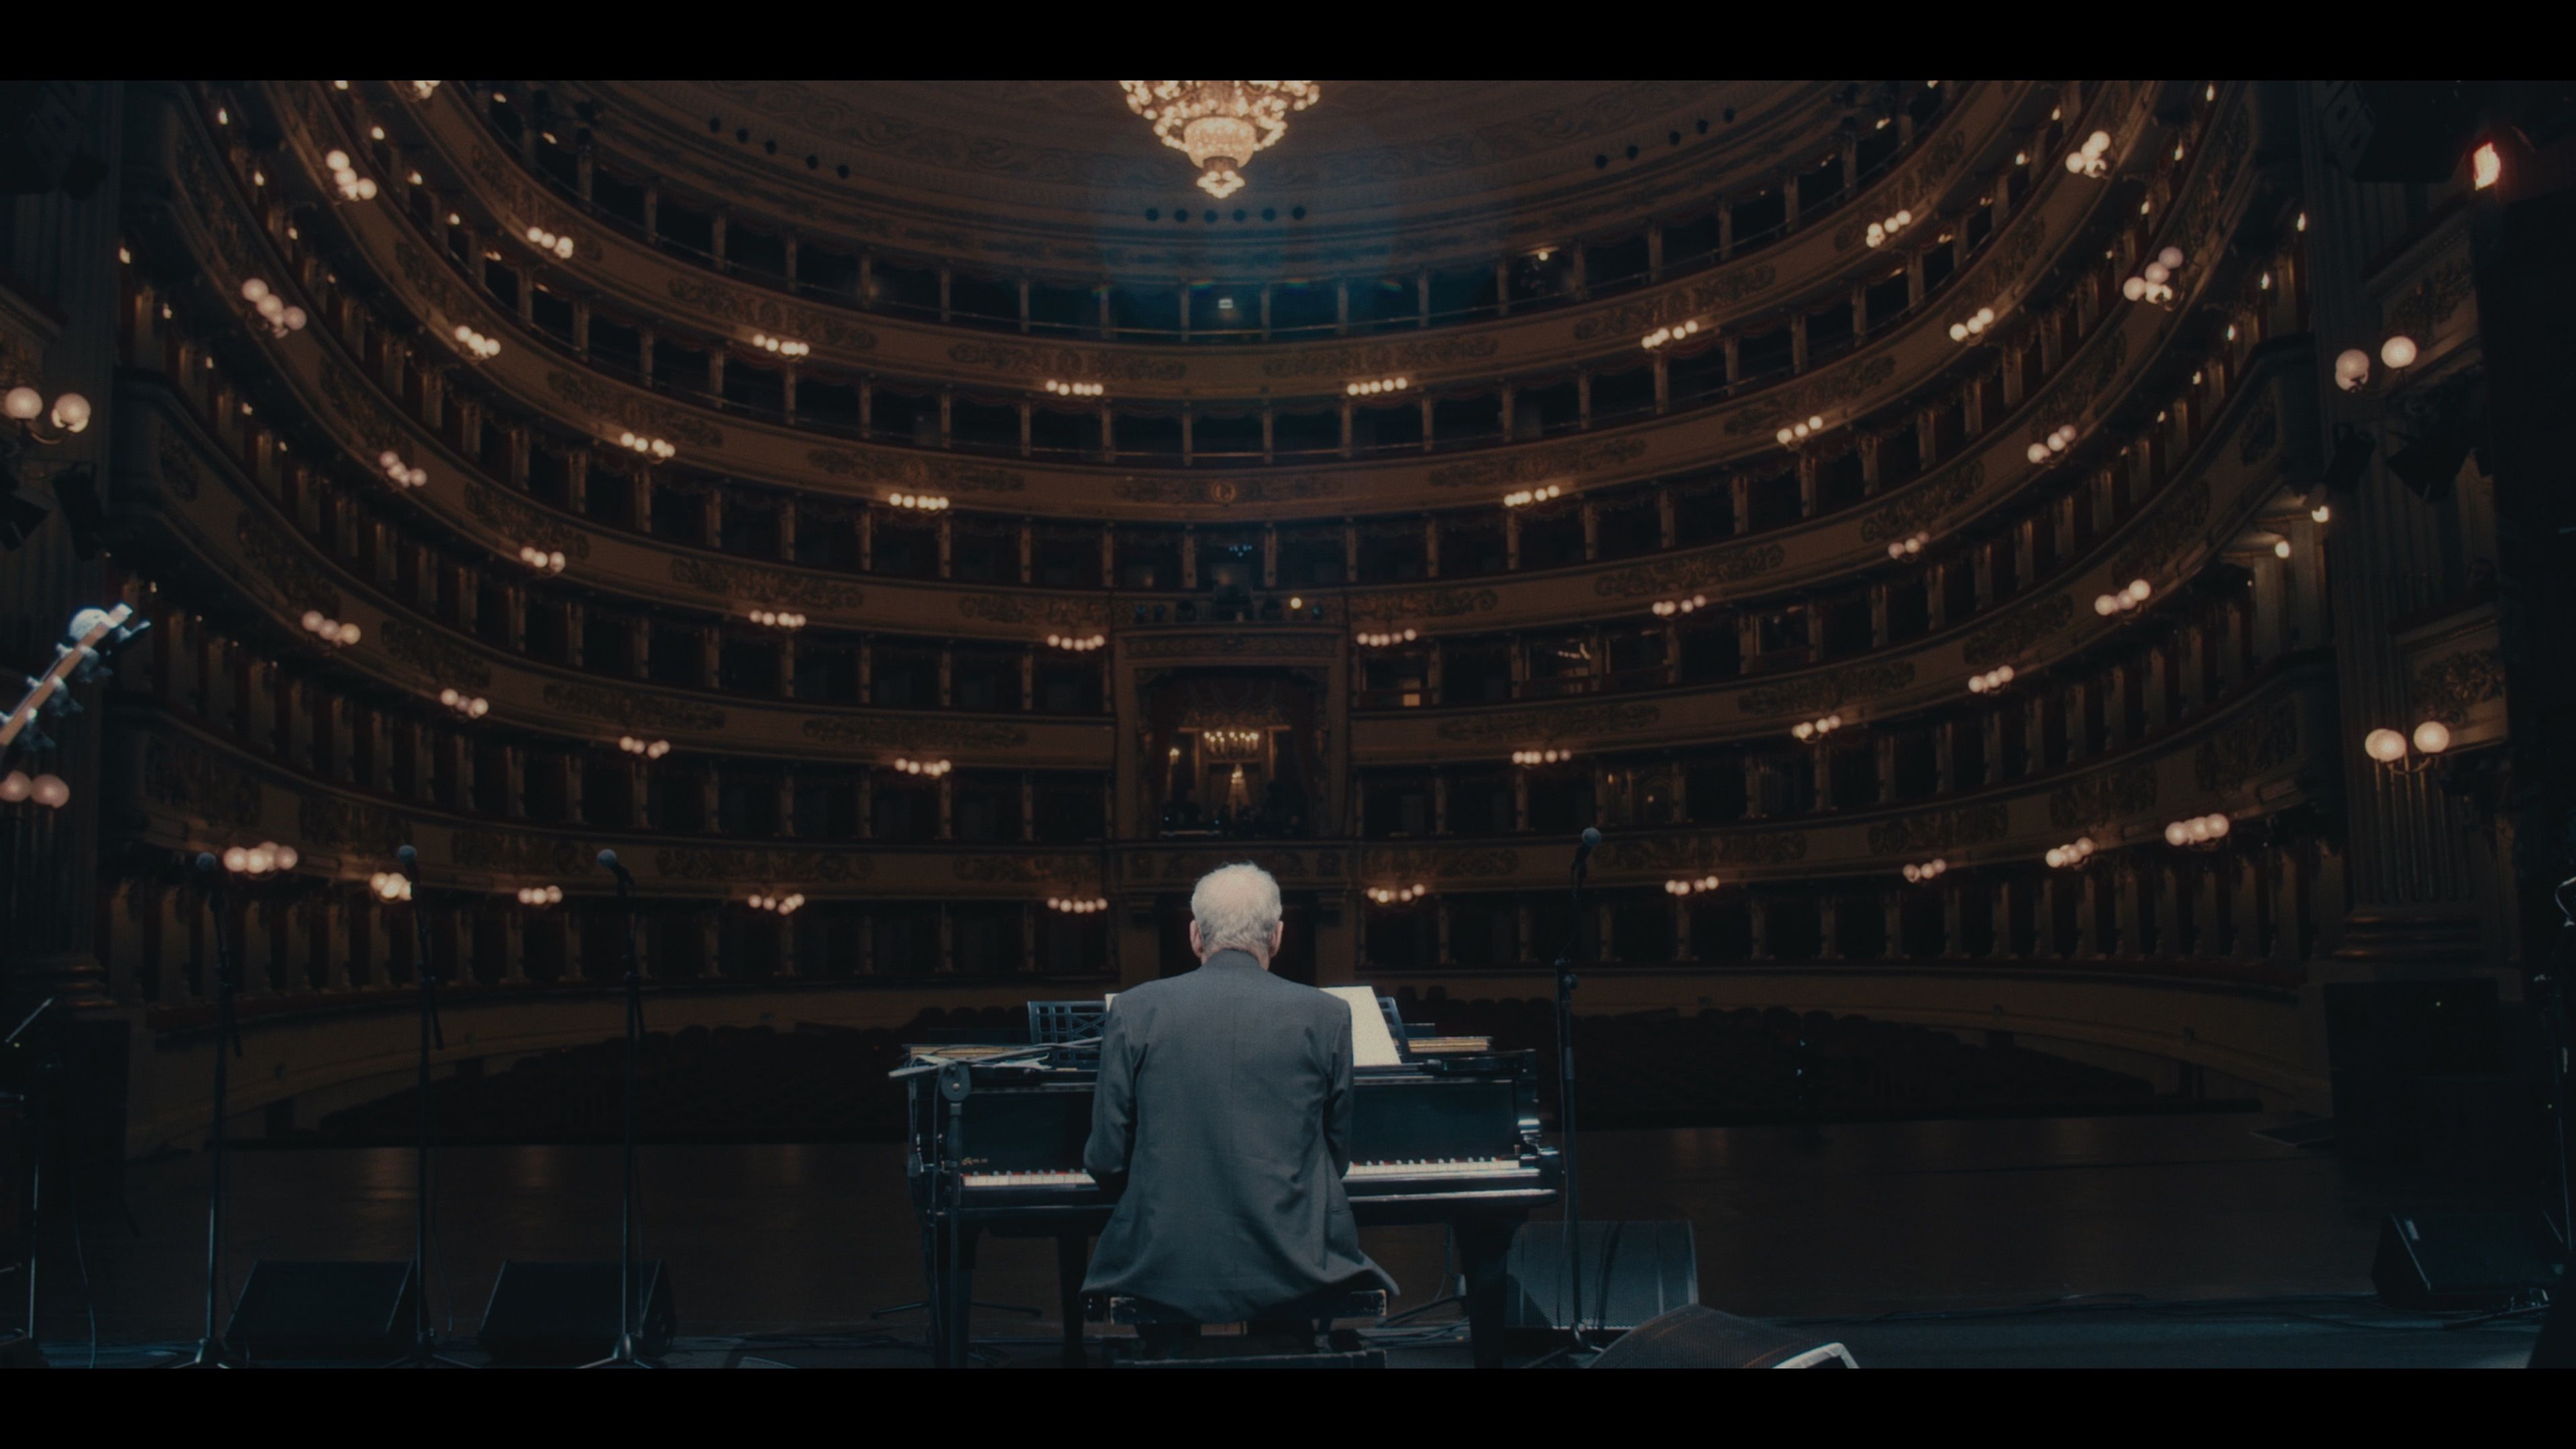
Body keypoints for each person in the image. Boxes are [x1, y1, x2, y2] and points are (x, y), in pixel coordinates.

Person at [1081, 863, 1395, 1356]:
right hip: (1296, 1258)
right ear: (1277, 936)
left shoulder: (1135, 1010)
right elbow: (1336, 1155)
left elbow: (1106, 1158)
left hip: (1162, 1260)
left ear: (1194, 935)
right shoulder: (1327, 1015)